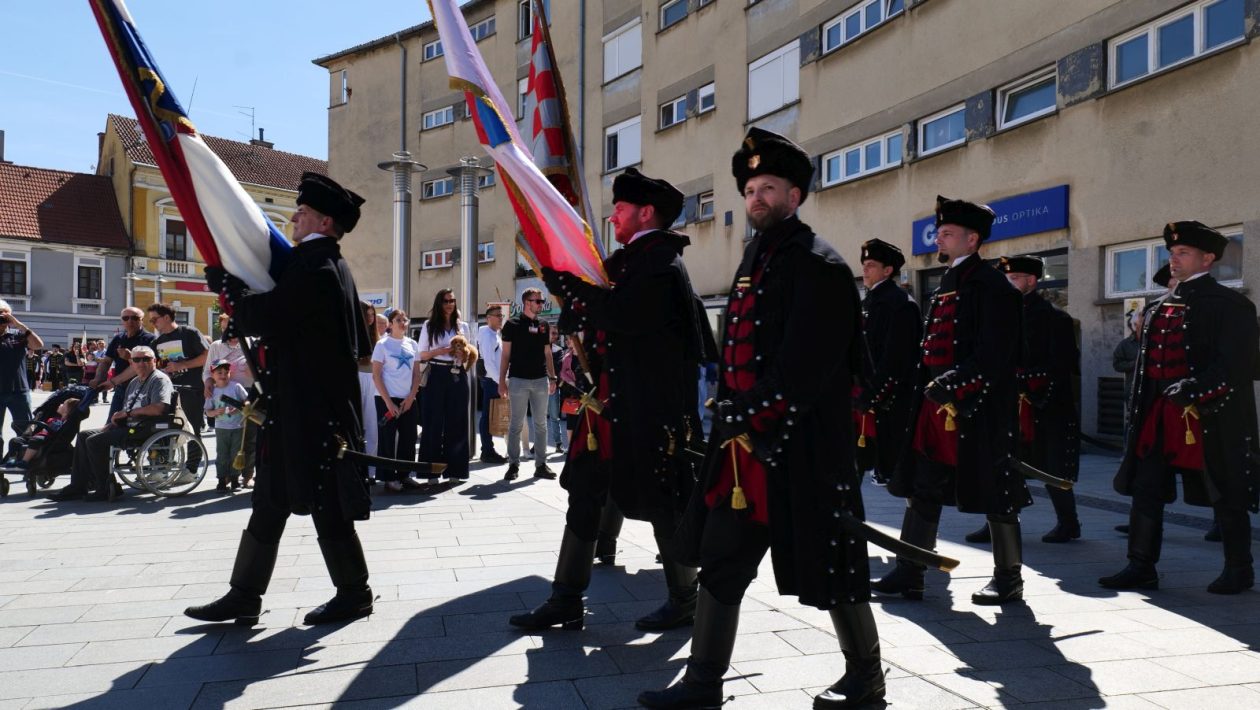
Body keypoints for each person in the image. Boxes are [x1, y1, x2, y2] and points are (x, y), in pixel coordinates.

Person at [640, 129, 880, 710]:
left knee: (835, 569)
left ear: (795, 195)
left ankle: (867, 681)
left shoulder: (820, 265)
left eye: (768, 187)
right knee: (722, 562)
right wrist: (729, 414)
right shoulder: (757, 256)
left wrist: (746, 413)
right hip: (746, 451)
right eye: (749, 188)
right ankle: (702, 686)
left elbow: (806, 369)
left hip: (803, 449)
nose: (756, 197)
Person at [515, 167, 712, 634]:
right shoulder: (632, 262)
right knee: (585, 493)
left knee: (664, 501)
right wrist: (576, 308)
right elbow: (607, 318)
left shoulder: (661, 264)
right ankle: (565, 597)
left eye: (621, 207)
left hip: (650, 411)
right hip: (611, 404)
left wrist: (573, 289)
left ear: (646, 212)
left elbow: (625, 315)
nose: (613, 214)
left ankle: (686, 598)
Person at [189, 171, 375, 625]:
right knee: (270, 498)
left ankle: (354, 592)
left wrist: (231, 294)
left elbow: (272, 314)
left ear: (326, 222)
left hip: (314, 411)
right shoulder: (317, 264)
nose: (294, 217)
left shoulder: (319, 267)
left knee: (325, 500)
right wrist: (237, 299)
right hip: (295, 405)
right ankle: (244, 594)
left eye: (304, 211)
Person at [874, 195, 1028, 606]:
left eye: (947, 232)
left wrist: (958, 383)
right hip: (936, 406)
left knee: (997, 489)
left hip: (978, 408)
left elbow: (996, 352)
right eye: (939, 231)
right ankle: (911, 571)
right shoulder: (949, 281)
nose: (938, 237)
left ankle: (1009, 578)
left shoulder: (993, 285)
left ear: (972, 239)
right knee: (924, 485)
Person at [1100, 221, 1259, 594]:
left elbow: (1236, 364)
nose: (1174, 259)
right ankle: (1140, 565)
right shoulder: (1157, 308)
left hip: (1210, 413)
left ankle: (1239, 569)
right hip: (1159, 414)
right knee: (1146, 486)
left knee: (1226, 490)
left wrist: (1196, 388)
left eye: (1183, 252)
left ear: (1208, 258)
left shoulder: (1232, 305)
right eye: (1172, 253)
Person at [974, 255, 1081, 544]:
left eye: (1013, 278)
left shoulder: (1055, 318)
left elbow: (1063, 365)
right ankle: (997, 521)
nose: (1007, 283)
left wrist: (1023, 380)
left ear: (1031, 281)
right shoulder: (1001, 315)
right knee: (1003, 463)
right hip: (1008, 403)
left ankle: (1068, 523)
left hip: (1045, 405)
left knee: (1052, 466)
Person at [52, 345, 173, 502]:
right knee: (83, 436)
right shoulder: (135, 381)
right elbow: (126, 409)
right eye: (137, 359)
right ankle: (78, 486)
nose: (141, 363)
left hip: (146, 428)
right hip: (129, 425)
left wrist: (128, 414)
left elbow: (159, 408)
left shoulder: (159, 379)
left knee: (95, 441)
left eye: (146, 359)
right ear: (132, 363)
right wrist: (113, 423)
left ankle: (106, 486)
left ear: (154, 361)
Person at [854, 239, 920, 486]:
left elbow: (897, 358)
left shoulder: (900, 304)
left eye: (871, 265)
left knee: (900, 477)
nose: (864, 270)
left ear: (888, 270)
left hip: (890, 402)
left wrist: (873, 394)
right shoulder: (869, 302)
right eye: (864, 265)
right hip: (866, 399)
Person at [500, 287, 557, 481]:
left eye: (541, 301)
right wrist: (502, 382)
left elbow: (547, 353)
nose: (541, 304)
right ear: (527, 302)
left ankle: (541, 465)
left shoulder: (543, 324)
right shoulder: (511, 324)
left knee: (541, 424)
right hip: (518, 380)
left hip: (541, 380)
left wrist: (553, 377)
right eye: (538, 301)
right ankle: (513, 465)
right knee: (516, 424)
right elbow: (505, 355)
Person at [417, 290, 473, 482]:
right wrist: (443, 350)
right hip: (436, 373)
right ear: (439, 303)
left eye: (453, 300)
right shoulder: (429, 325)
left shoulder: (462, 326)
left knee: (457, 422)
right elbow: (422, 354)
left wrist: (463, 355)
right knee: (433, 422)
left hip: (458, 373)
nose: (450, 304)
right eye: (446, 301)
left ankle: (455, 471)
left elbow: (472, 351)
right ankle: (430, 471)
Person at [203, 312, 258, 487]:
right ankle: (226, 475)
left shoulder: (250, 342)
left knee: (248, 438)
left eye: (233, 325)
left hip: (249, 394)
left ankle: (247, 475)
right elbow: (207, 371)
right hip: (224, 395)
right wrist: (208, 384)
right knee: (226, 443)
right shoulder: (217, 346)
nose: (230, 330)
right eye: (226, 327)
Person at [148, 303, 209, 461]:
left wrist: (183, 365)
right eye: (151, 321)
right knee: (166, 429)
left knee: (192, 431)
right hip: (169, 392)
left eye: (155, 319)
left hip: (192, 390)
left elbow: (207, 356)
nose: (153, 324)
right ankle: (163, 466)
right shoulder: (157, 342)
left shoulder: (189, 333)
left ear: (167, 317)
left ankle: (191, 469)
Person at [373, 308, 424, 492]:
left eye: (405, 319)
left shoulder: (412, 344)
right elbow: (376, 376)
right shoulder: (382, 345)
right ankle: (388, 478)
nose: (403, 323)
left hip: (407, 399)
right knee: (387, 439)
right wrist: (388, 402)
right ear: (390, 323)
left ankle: (405, 475)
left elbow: (417, 375)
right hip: (386, 398)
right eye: (398, 320)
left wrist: (411, 397)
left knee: (409, 438)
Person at [93, 307, 157, 419]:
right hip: (121, 388)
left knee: (134, 426)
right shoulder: (118, 338)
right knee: (111, 423)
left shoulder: (150, 339)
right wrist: (99, 378)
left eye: (135, 318)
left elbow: (143, 367)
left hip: (141, 390)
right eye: (126, 318)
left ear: (142, 320)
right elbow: (107, 361)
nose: (130, 321)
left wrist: (130, 357)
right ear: (122, 320)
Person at [0, 300, 44, 434]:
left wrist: (19, 325)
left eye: (5, 316)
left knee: (25, 431)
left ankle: (22, 455)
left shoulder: (18, 336)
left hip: (19, 391)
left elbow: (38, 345)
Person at [205, 360, 249, 492]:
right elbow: (208, 411)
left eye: (226, 372)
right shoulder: (212, 391)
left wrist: (242, 407)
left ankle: (235, 480)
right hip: (221, 428)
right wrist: (214, 412)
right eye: (219, 372)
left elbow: (247, 400)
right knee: (222, 454)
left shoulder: (236, 386)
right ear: (213, 375)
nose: (223, 375)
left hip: (238, 426)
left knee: (236, 453)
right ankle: (222, 480)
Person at [7, 397, 80, 470]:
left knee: (36, 440)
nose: (60, 405)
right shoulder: (55, 418)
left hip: (49, 438)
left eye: (63, 405)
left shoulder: (66, 422)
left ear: (67, 410)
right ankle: (12, 459)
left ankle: (24, 461)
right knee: (15, 440)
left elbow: (56, 432)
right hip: (40, 435)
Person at [475, 304, 507, 463]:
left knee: (492, 416)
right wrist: (501, 382)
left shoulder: (496, 334)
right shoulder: (487, 334)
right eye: (498, 315)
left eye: (502, 315)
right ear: (488, 318)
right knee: (487, 417)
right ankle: (487, 451)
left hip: (496, 380)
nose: (501, 318)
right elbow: (488, 363)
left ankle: (488, 449)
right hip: (491, 381)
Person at [357, 301, 382, 484]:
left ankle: (371, 470)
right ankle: (357, 469)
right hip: (356, 380)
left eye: (372, 314)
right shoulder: (352, 335)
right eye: (367, 314)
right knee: (358, 426)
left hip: (373, 381)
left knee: (373, 426)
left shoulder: (377, 338)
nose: (370, 318)